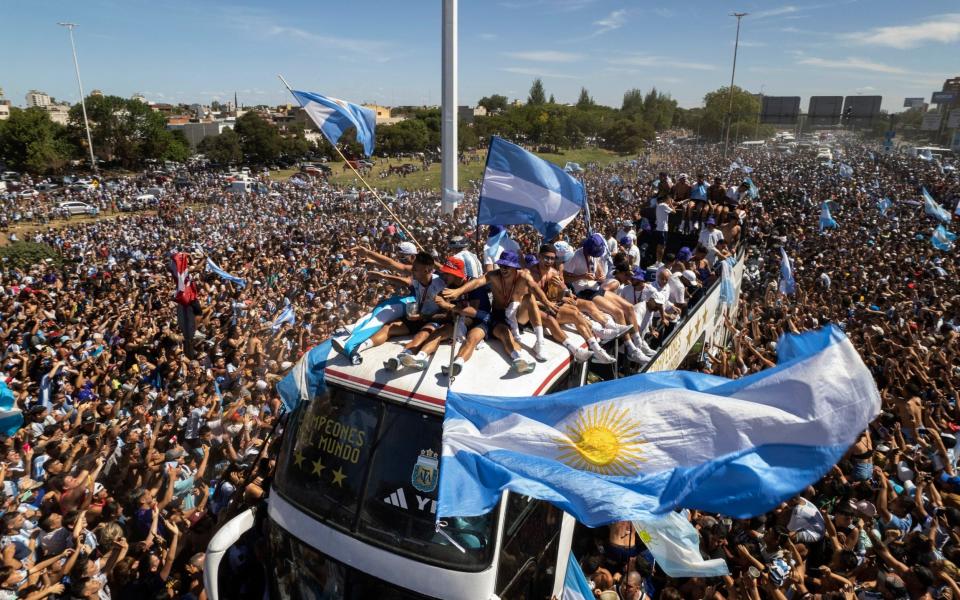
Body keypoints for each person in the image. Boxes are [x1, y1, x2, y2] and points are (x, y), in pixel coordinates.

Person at [442, 251, 555, 373]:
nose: (503, 269)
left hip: (516, 316)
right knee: (504, 335)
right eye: (501, 266)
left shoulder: (523, 275)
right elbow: (477, 282)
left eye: (506, 266)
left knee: (529, 298)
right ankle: (458, 364)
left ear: (515, 267)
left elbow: (534, 287)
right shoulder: (494, 275)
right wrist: (459, 291)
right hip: (498, 316)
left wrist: (546, 302)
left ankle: (538, 344)